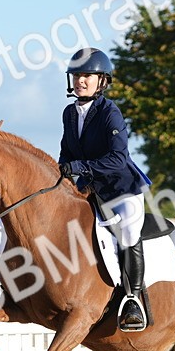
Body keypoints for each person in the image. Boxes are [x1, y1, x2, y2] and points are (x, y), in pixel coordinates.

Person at [56, 47, 151, 332]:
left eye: (87, 75)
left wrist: (81, 168)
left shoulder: (111, 113)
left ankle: (133, 300)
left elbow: (118, 158)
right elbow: (65, 153)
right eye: (76, 75)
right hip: (90, 191)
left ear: (102, 81)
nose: (80, 80)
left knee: (130, 233)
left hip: (122, 190)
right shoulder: (70, 113)